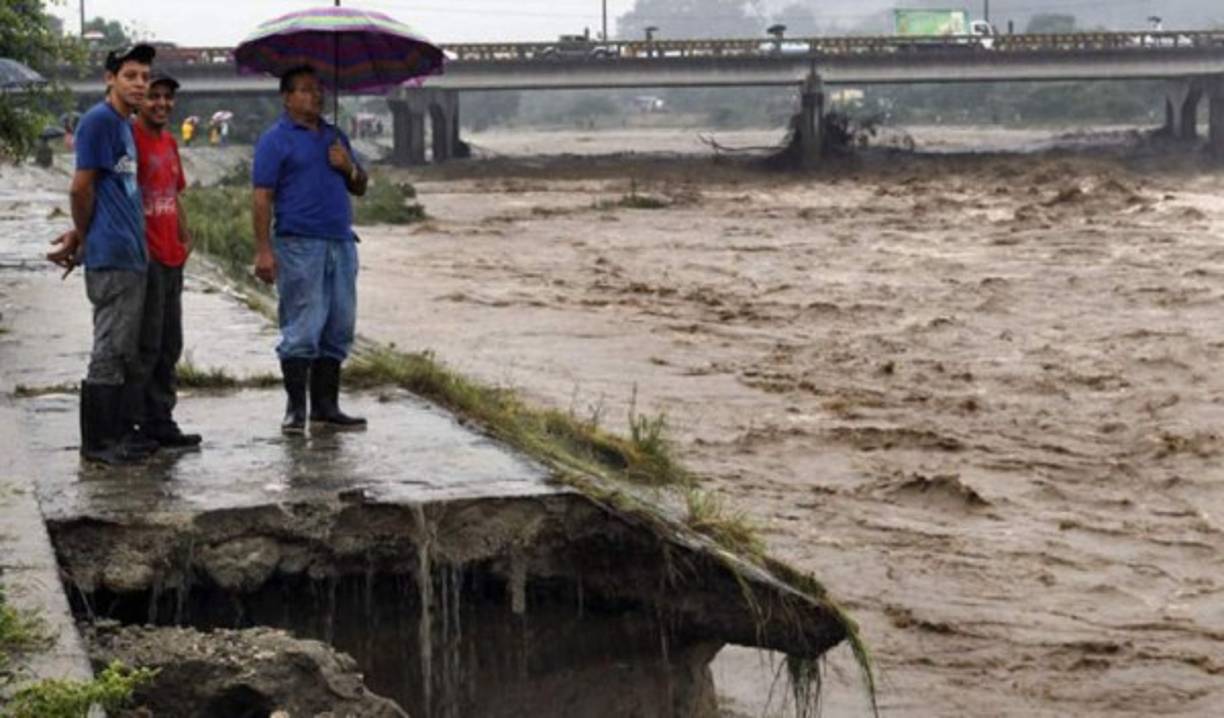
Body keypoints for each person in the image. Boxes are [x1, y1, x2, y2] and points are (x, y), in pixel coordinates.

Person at [46, 44, 158, 465]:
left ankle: (116, 435)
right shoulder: (98, 121)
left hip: (129, 254)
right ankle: (97, 445)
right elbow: (80, 187)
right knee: (109, 348)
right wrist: (86, 234)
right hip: (112, 256)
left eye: (144, 77)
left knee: (124, 349)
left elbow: (112, 191)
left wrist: (79, 232)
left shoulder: (123, 124)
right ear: (110, 79)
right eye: (131, 76)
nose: (139, 85)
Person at [251, 65, 368, 434]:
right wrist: (263, 250)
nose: (315, 96)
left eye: (318, 90)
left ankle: (326, 407)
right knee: (303, 326)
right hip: (299, 243)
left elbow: (361, 186)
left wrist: (348, 166)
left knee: (340, 325)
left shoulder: (336, 137)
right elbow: (261, 197)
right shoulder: (275, 140)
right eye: (304, 90)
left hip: (341, 243)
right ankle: (294, 409)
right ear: (287, 97)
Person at [128, 71, 201, 448]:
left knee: (170, 342)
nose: (161, 104)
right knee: (146, 343)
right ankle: (135, 423)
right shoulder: (129, 140)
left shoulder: (170, 142)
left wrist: (185, 236)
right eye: (154, 96)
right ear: (141, 100)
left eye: (167, 98)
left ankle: (162, 420)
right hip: (145, 257)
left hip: (172, 256)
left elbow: (175, 194)